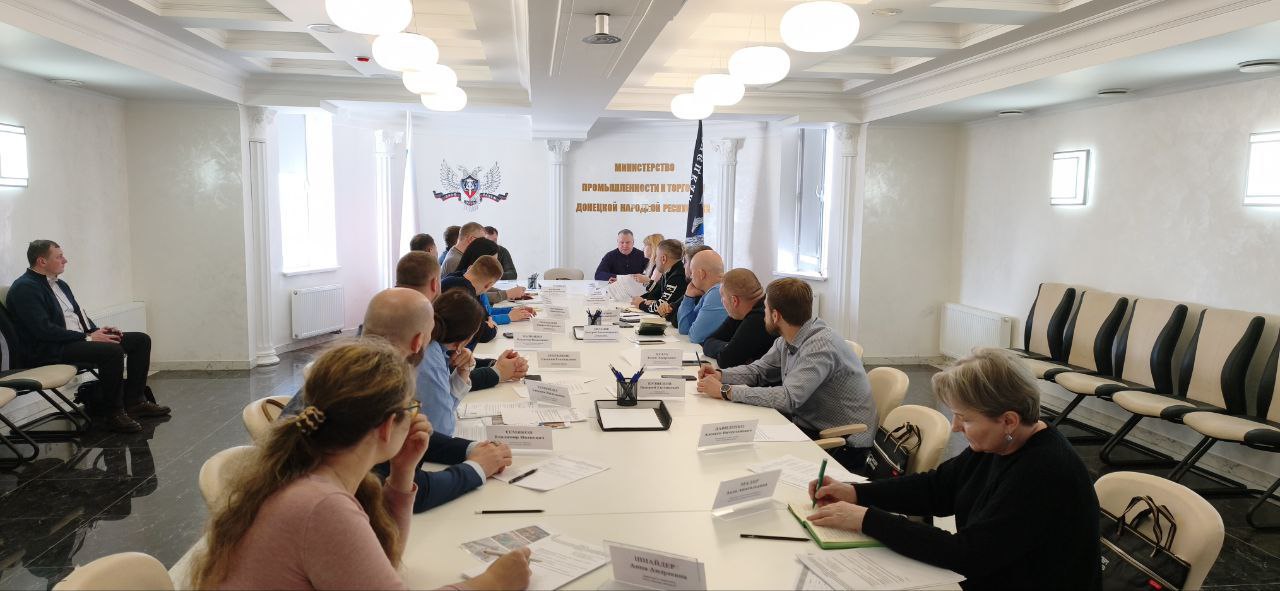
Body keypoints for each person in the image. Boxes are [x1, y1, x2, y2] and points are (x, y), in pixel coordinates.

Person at [194, 339, 531, 590]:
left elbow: (384, 559)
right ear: (387, 427)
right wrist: (492, 583)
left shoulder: (318, 469)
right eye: (412, 407)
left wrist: (402, 473)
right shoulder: (321, 505)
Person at [804, 349, 1101, 591]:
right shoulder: (1000, 443)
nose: (956, 427)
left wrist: (867, 519)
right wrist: (856, 493)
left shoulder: (1045, 472)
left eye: (965, 418)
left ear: (1009, 421)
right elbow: (936, 488)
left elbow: (969, 554)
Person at [280, 288, 515, 513]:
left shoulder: (352, 367)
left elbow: (411, 433)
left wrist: (470, 449)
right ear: (418, 341)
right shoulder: (377, 388)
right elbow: (406, 489)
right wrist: (476, 468)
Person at [695, 278, 875, 467]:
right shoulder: (790, 337)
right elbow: (759, 370)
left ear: (775, 316)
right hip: (808, 425)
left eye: (765, 308)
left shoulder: (820, 346)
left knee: (741, 457)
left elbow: (788, 398)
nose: (763, 313)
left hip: (843, 445)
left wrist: (725, 391)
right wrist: (721, 375)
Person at [6, 240, 169, 433]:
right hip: (49, 349)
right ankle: (114, 413)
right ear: (42, 261)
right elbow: (43, 330)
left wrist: (95, 331)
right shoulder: (25, 288)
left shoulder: (61, 284)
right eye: (59, 257)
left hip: (74, 340)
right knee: (111, 352)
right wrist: (88, 338)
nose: (65, 260)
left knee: (140, 340)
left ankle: (135, 402)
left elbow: (77, 315)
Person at [395, 252, 527, 393]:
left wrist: (492, 364)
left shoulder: (398, 312)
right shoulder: (424, 328)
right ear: (435, 284)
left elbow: (449, 361)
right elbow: (444, 385)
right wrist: (497, 372)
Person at [418, 290, 485, 437]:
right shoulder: (431, 361)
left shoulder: (434, 347)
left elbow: (445, 407)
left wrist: (463, 371)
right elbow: (442, 430)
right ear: (460, 343)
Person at [442, 255, 534, 348]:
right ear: (488, 285)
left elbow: (486, 315)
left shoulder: (456, 278)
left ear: (470, 267)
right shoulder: (464, 294)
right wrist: (496, 326)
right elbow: (484, 333)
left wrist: (512, 310)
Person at [702, 269, 772, 369]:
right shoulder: (739, 312)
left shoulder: (759, 317)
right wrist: (730, 346)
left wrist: (731, 348)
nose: (722, 301)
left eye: (722, 297)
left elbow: (726, 360)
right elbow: (708, 342)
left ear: (734, 301)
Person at [675, 250, 727, 344]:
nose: (691, 276)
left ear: (701, 274)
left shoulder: (717, 293)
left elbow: (696, 336)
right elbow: (684, 329)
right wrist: (688, 296)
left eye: (692, 272)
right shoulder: (710, 291)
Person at [632, 239, 686, 323]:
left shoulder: (677, 276)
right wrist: (643, 299)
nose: (655, 259)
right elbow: (658, 292)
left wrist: (641, 304)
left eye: (656, 256)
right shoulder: (669, 272)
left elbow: (660, 308)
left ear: (663, 258)